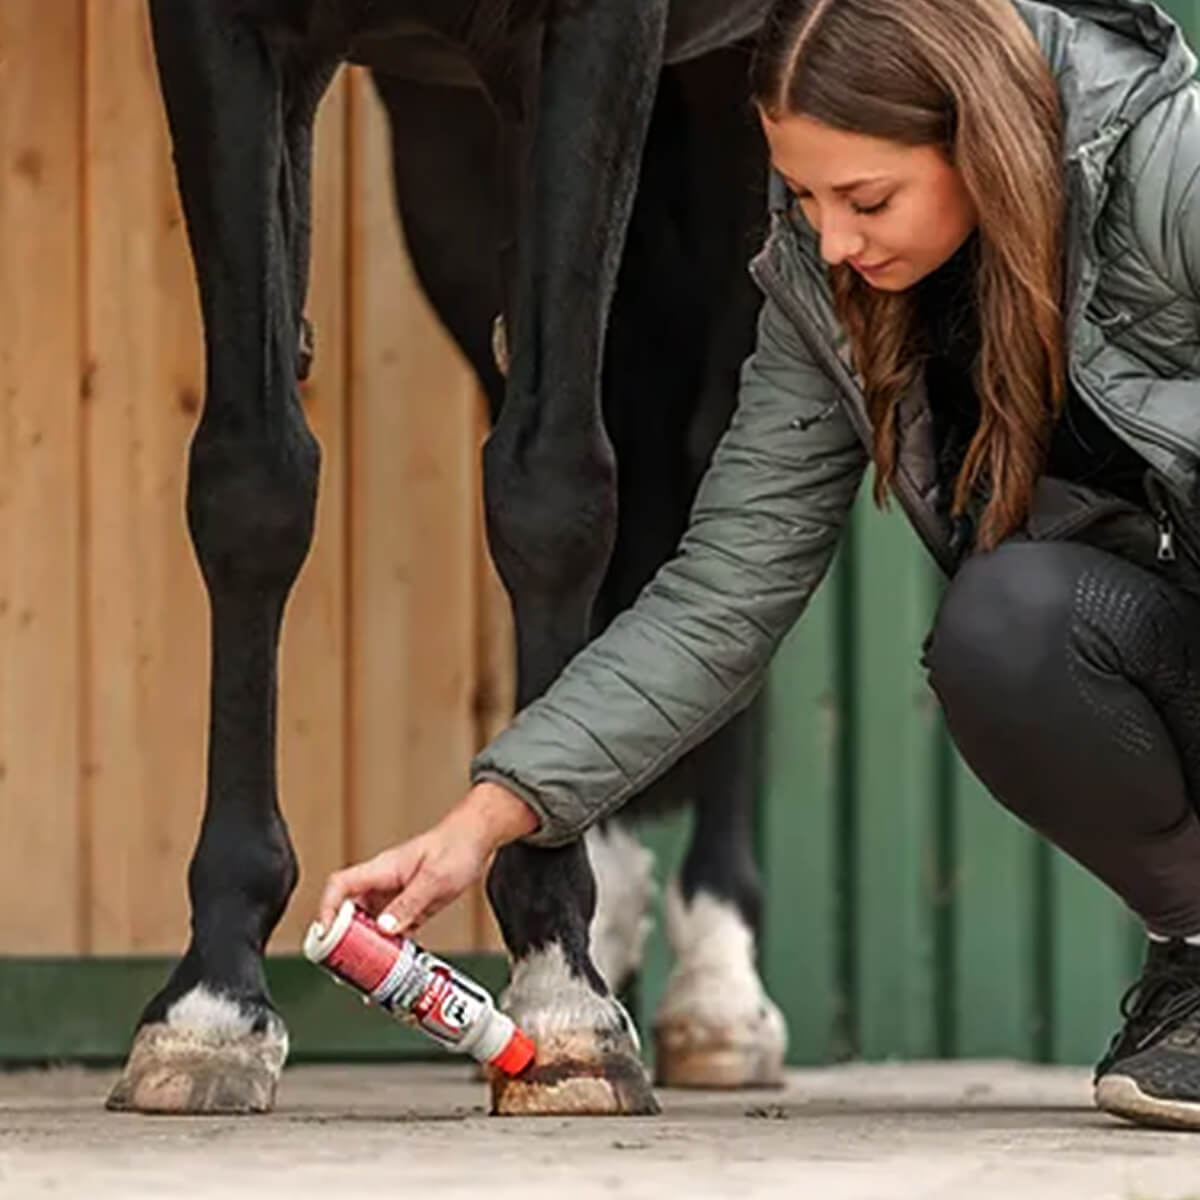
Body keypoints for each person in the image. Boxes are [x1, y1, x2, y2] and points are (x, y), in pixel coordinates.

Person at [321, 0, 1200, 1129]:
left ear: (976, 138)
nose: (832, 239)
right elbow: (717, 599)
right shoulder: (829, 294)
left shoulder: (1168, 170)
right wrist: (485, 821)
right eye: (802, 198)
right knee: (1008, 630)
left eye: (866, 199)